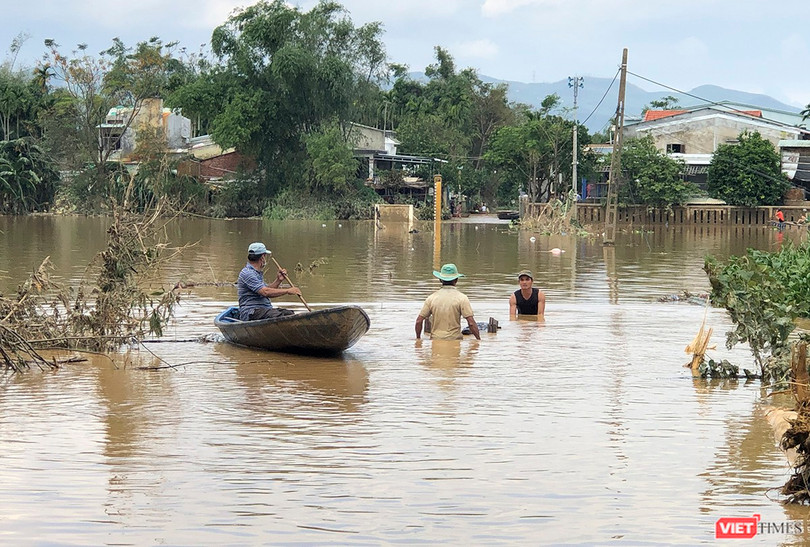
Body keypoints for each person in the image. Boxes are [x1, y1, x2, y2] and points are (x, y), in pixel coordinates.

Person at [237, 242, 302, 321]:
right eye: (265, 256)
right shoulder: (247, 273)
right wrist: (287, 290)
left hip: (263, 310)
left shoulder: (256, 273)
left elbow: (266, 290)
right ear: (262, 257)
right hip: (251, 312)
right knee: (278, 316)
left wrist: (278, 280)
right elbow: (265, 292)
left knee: (288, 313)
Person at [415, 264, 480, 340]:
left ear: (440, 280)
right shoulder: (462, 298)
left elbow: (419, 321)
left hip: (435, 341)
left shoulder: (431, 298)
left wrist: (418, 340)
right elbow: (471, 323)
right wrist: (478, 340)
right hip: (455, 340)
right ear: (456, 280)